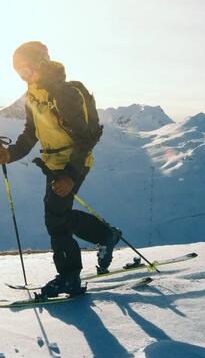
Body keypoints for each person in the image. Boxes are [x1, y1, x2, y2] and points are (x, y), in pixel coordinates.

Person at [0, 41, 119, 298]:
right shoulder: (34, 94)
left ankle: (69, 277)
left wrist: (70, 175)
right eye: (19, 71)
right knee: (57, 215)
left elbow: (86, 138)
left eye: (27, 69)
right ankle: (105, 235)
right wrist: (9, 155)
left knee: (55, 217)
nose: (24, 76)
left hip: (73, 162)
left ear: (41, 63)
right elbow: (31, 133)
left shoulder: (63, 93)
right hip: (54, 163)